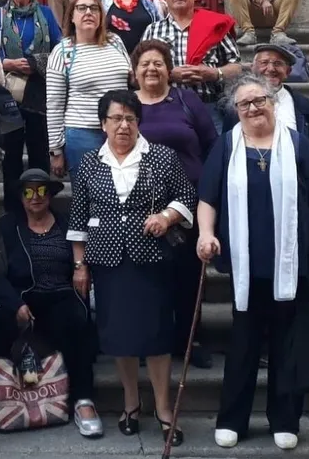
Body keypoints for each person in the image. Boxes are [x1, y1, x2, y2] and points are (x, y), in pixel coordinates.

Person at [197, 73, 309, 450]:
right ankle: (232, 420)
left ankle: (285, 419)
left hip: (292, 266)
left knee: (286, 345)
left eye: (259, 99)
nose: (253, 108)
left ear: (273, 101)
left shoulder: (297, 143)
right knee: (243, 345)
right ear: (236, 111)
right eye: (245, 103)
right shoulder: (227, 146)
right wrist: (206, 233)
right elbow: (208, 199)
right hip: (246, 268)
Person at [67, 89, 197, 448]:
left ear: (139, 122)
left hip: (152, 260)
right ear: (102, 124)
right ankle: (131, 403)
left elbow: (186, 197)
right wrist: (80, 265)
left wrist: (167, 216)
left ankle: (164, 409)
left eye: (130, 118)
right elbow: (78, 216)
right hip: (107, 262)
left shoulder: (162, 157)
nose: (123, 125)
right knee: (119, 339)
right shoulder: (90, 163)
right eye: (116, 118)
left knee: (156, 337)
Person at [0, 168, 102, 439]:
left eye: (42, 191)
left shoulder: (66, 224)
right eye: (29, 191)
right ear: (21, 197)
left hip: (59, 296)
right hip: (21, 298)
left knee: (75, 320)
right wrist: (14, 304)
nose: (36, 197)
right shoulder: (8, 227)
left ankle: (83, 401)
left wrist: (81, 268)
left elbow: (82, 259)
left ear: (50, 195)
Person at [132, 39, 217, 369]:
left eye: (158, 63)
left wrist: (209, 192)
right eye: (144, 64)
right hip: (143, 205)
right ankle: (151, 339)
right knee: (149, 277)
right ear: (134, 72)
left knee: (189, 273)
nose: (151, 69)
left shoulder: (187, 99)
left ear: (169, 70)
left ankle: (188, 339)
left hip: (191, 201)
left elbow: (211, 144)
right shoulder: (128, 106)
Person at [0, 0, 62, 209]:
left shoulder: (47, 14)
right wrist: (5, 62)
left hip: (39, 92)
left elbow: (59, 49)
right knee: (12, 156)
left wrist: (35, 63)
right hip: (9, 95)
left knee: (39, 154)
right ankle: (14, 212)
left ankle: (40, 208)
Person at [230, 44, 309, 207]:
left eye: (278, 64)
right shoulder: (236, 106)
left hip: (298, 192)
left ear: (288, 72)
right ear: (252, 68)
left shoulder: (303, 106)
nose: (270, 68)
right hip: (249, 191)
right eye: (264, 63)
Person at [46, 0, 131, 184]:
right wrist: (55, 150)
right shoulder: (62, 51)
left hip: (121, 130)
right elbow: (54, 105)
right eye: (81, 8)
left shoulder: (116, 42)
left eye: (94, 8)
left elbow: (131, 77)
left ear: (101, 16)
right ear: (72, 16)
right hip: (83, 134)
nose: (88, 12)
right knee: (88, 197)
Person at [141, 0, 242, 134]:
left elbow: (237, 67)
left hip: (208, 106)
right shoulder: (153, 30)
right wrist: (169, 74)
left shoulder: (214, 25)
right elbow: (140, 70)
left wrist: (215, 73)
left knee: (212, 155)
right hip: (166, 106)